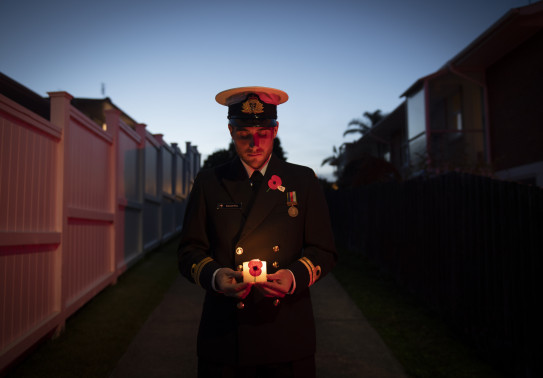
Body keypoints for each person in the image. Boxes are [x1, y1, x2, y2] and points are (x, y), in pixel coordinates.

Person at [178, 86, 337, 378]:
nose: (254, 143)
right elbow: (189, 251)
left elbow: (324, 250)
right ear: (230, 130)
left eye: (263, 133)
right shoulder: (209, 182)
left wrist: (293, 277)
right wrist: (215, 277)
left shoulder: (302, 181)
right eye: (244, 133)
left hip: (287, 332)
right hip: (225, 335)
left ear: (275, 130)